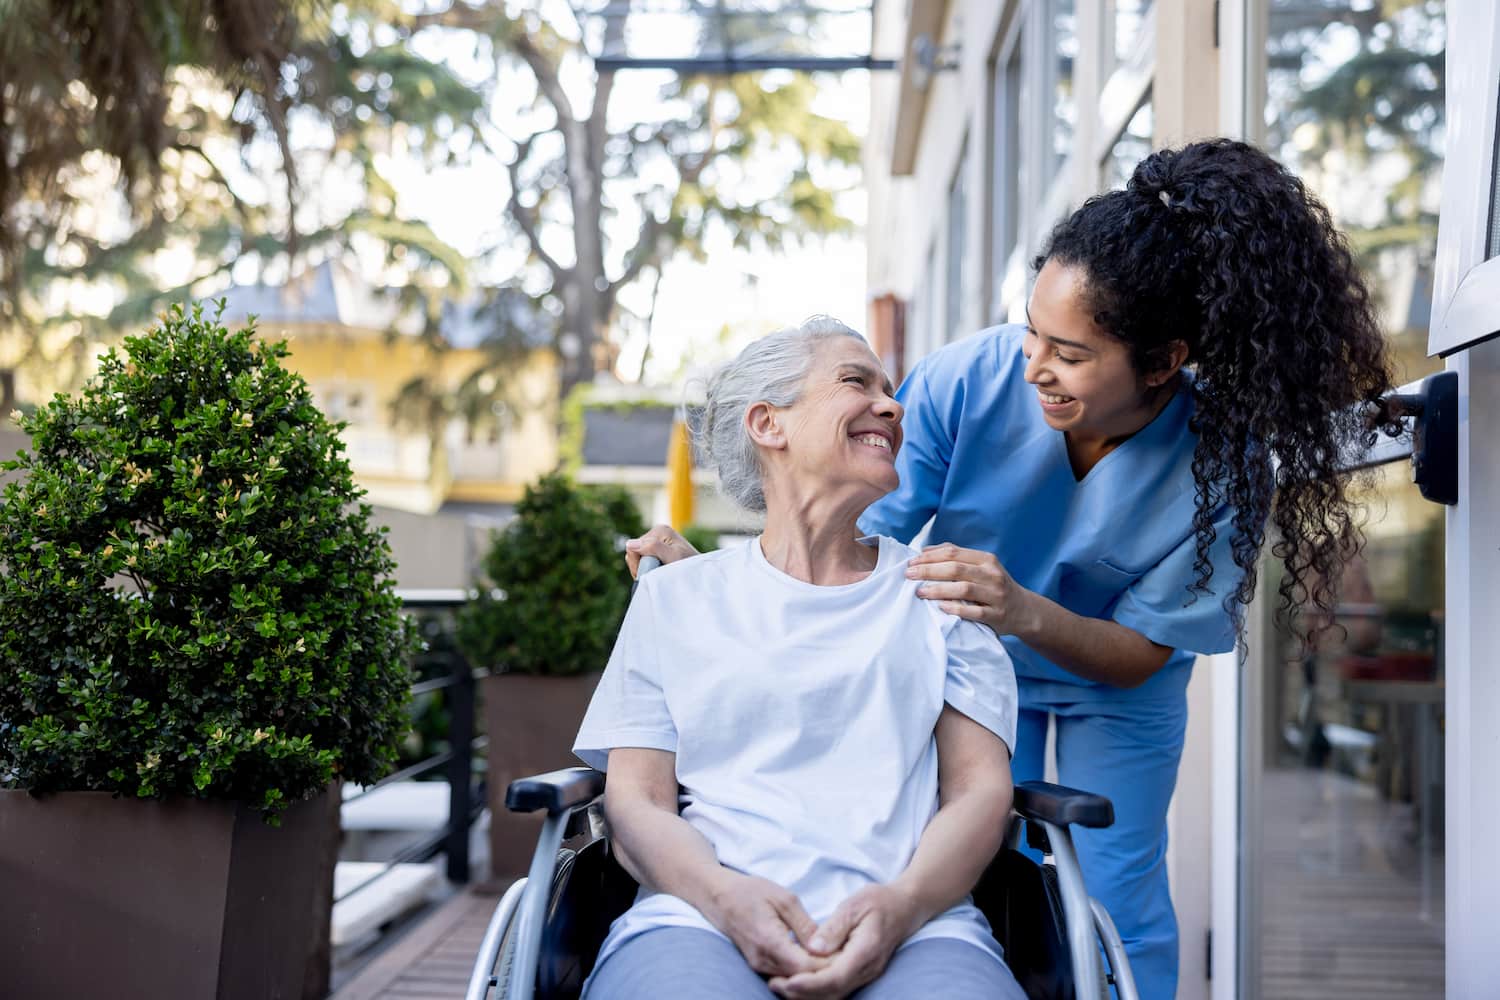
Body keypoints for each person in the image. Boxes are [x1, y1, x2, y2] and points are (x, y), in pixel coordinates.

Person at [626, 138, 1396, 999]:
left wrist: (1021, 609)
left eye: (1069, 352)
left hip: (1114, 681)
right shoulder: (970, 381)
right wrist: (715, 585)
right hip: (972, 664)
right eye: (1033, 329)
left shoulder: (1223, 460)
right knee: (988, 870)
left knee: (1119, 885)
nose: (1033, 364)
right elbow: (842, 536)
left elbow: (1142, 652)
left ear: (1162, 361)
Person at [575, 318, 1027, 1000]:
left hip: (917, 926)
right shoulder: (677, 598)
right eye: (856, 381)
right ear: (768, 424)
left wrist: (900, 907)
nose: (893, 405)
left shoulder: (940, 596)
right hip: (696, 918)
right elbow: (635, 802)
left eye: (890, 390)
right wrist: (725, 897)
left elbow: (980, 794)